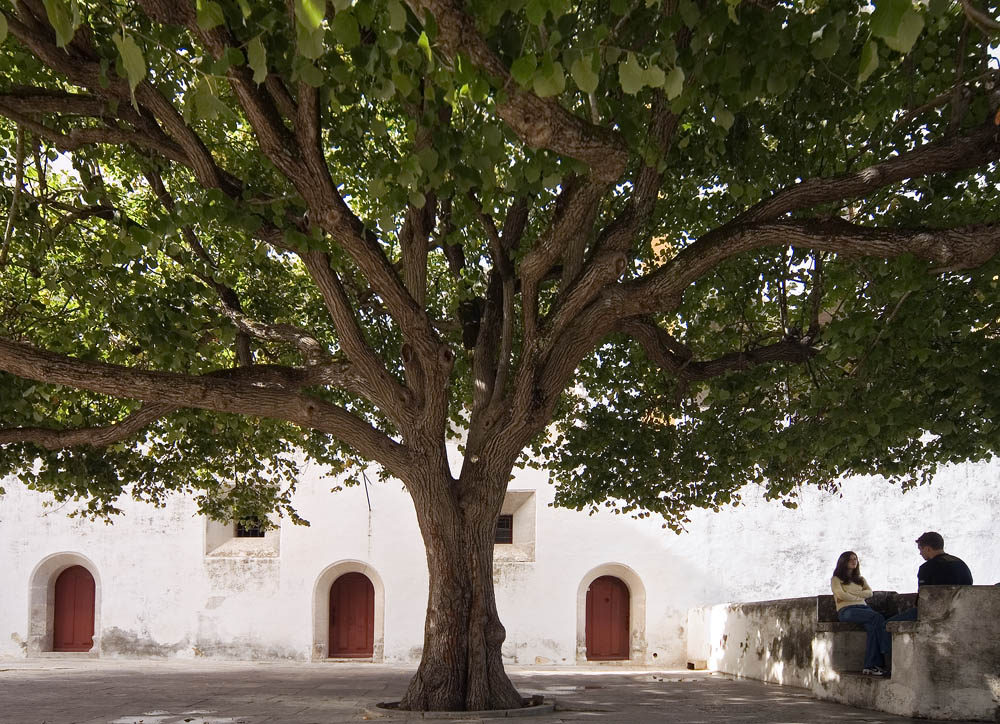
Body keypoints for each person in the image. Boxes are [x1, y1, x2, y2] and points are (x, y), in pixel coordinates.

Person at [890, 531, 973, 621]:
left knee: (885, 626)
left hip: (935, 614)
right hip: (962, 612)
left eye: (920, 549)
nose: (920, 553)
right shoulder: (961, 564)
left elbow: (922, 600)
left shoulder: (927, 568)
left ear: (928, 549)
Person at [831, 551, 891, 676]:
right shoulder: (836, 579)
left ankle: (870, 666)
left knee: (873, 628)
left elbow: (869, 593)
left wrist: (850, 596)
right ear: (843, 562)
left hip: (864, 609)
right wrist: (858, 596)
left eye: (855, 559)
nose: (854, 561)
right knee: (877, 617)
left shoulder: (860, 579)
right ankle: (886, 650)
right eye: (850, 559)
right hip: (846, 610)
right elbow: (840, 594)